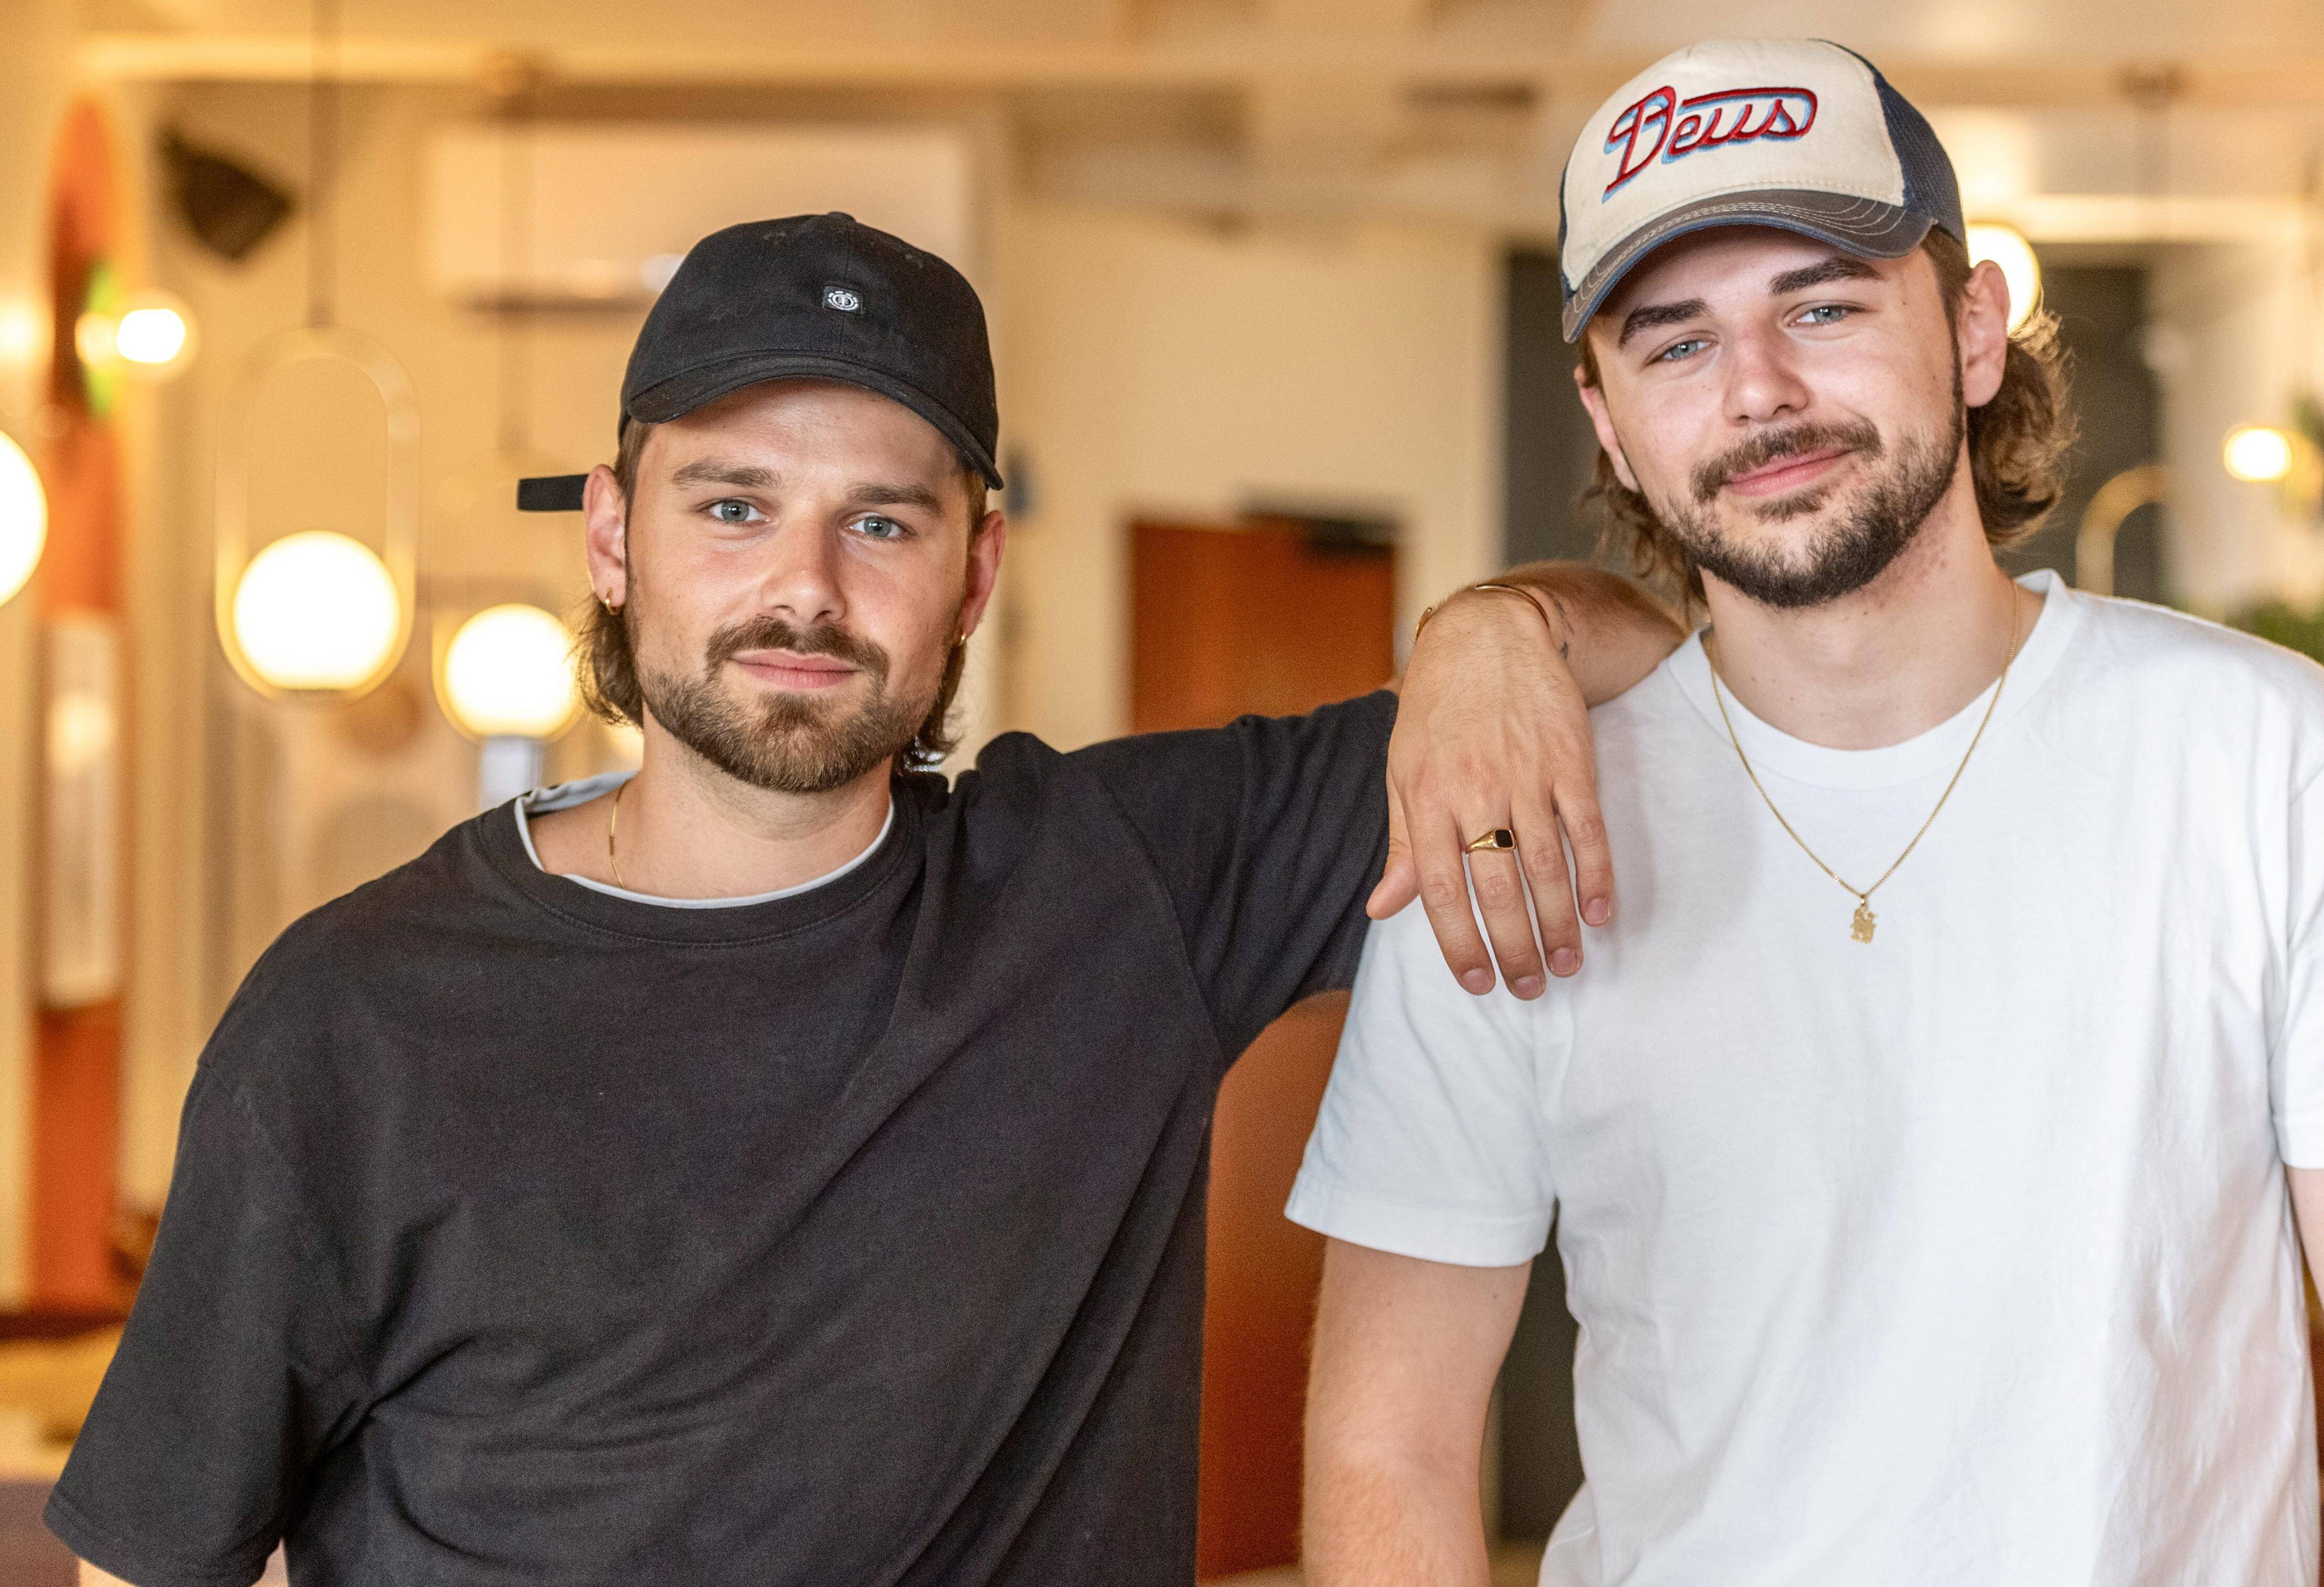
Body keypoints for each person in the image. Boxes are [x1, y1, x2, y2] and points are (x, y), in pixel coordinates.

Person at [47, 212, 1682, 1587]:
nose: (805, 591)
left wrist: (1486, 634)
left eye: (880, 521)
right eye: (734, 506)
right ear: (614, 535)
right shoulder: (353, 1017)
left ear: (974, 572)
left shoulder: (1111, 889)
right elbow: (149, 1559)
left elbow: (1655, 663)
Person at [1291, 40, 2324, 1586]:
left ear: (1970, 333)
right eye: (1674, 343)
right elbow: (1387, 1448)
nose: (1759, 390)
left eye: (1820, 306)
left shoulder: (2261, 757)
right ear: (1609, 420)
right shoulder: (1510, 813)